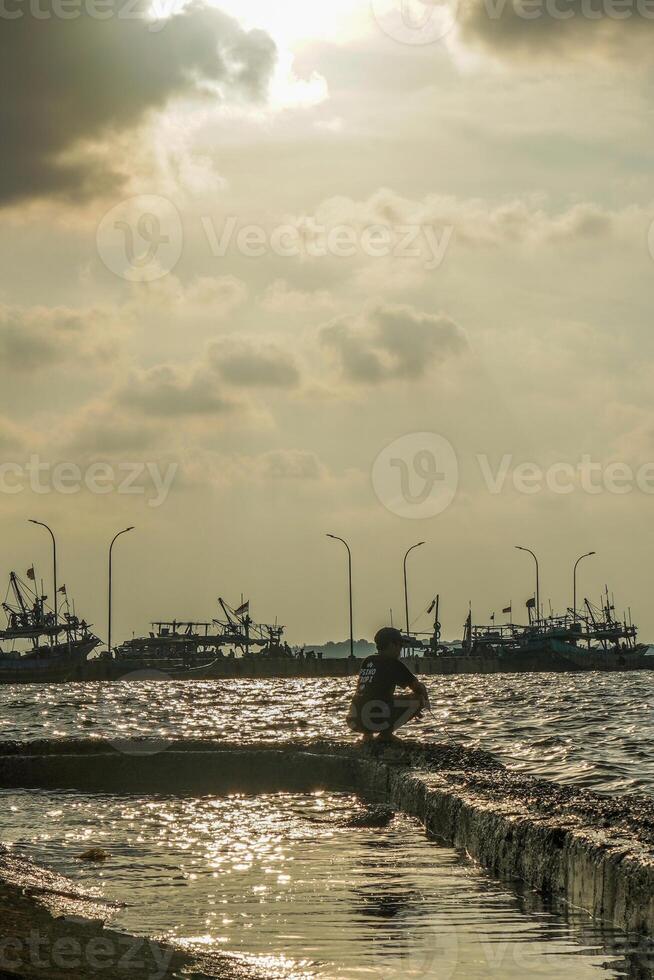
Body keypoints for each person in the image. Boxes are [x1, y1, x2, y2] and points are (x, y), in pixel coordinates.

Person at [346, 626, 428, 742]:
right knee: (418, 699)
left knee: (373, 699)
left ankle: (367, 737)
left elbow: (368, 692)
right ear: (391, 644)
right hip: (374, 718)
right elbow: (418, 688)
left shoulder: (368, 661)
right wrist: (420, 704)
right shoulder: (393, 663)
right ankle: (386, 735)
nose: (401, 649)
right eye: (400, 645)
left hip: (354, 719)